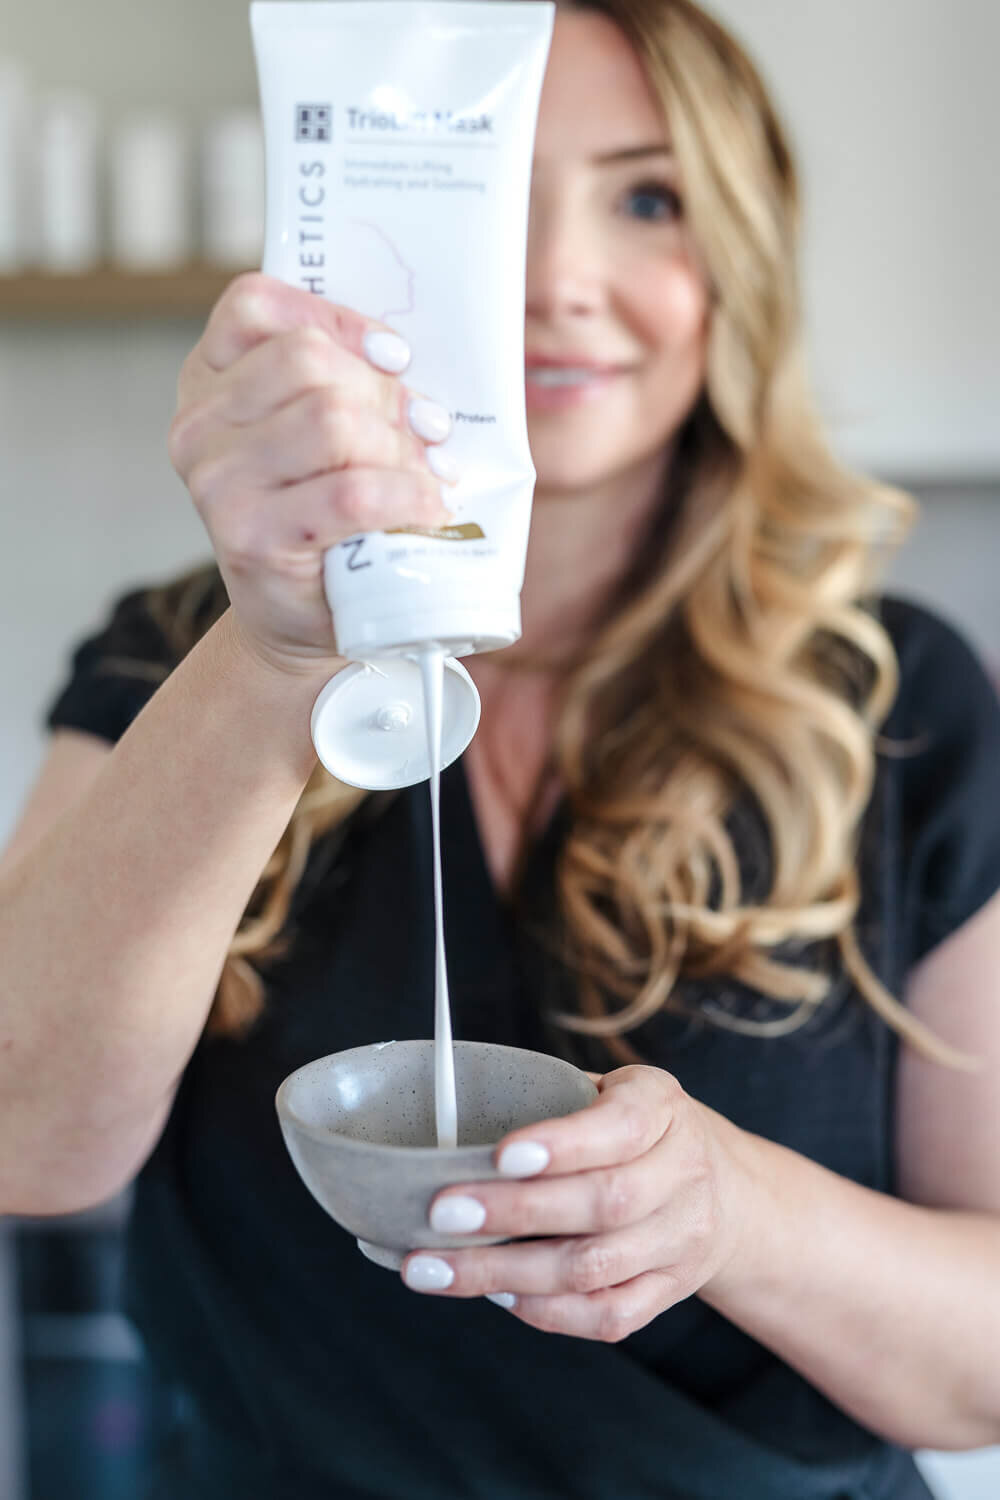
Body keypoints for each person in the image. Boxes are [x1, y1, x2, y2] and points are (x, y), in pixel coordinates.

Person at [3, 2, 999, 1497]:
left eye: (648, 198)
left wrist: (730, 1208)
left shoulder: (898, 701)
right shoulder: (179, 663)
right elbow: (24, 1142)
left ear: (738, 259)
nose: (555, 281)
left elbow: (984, 1367)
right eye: (489, 198)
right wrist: (279, 653)